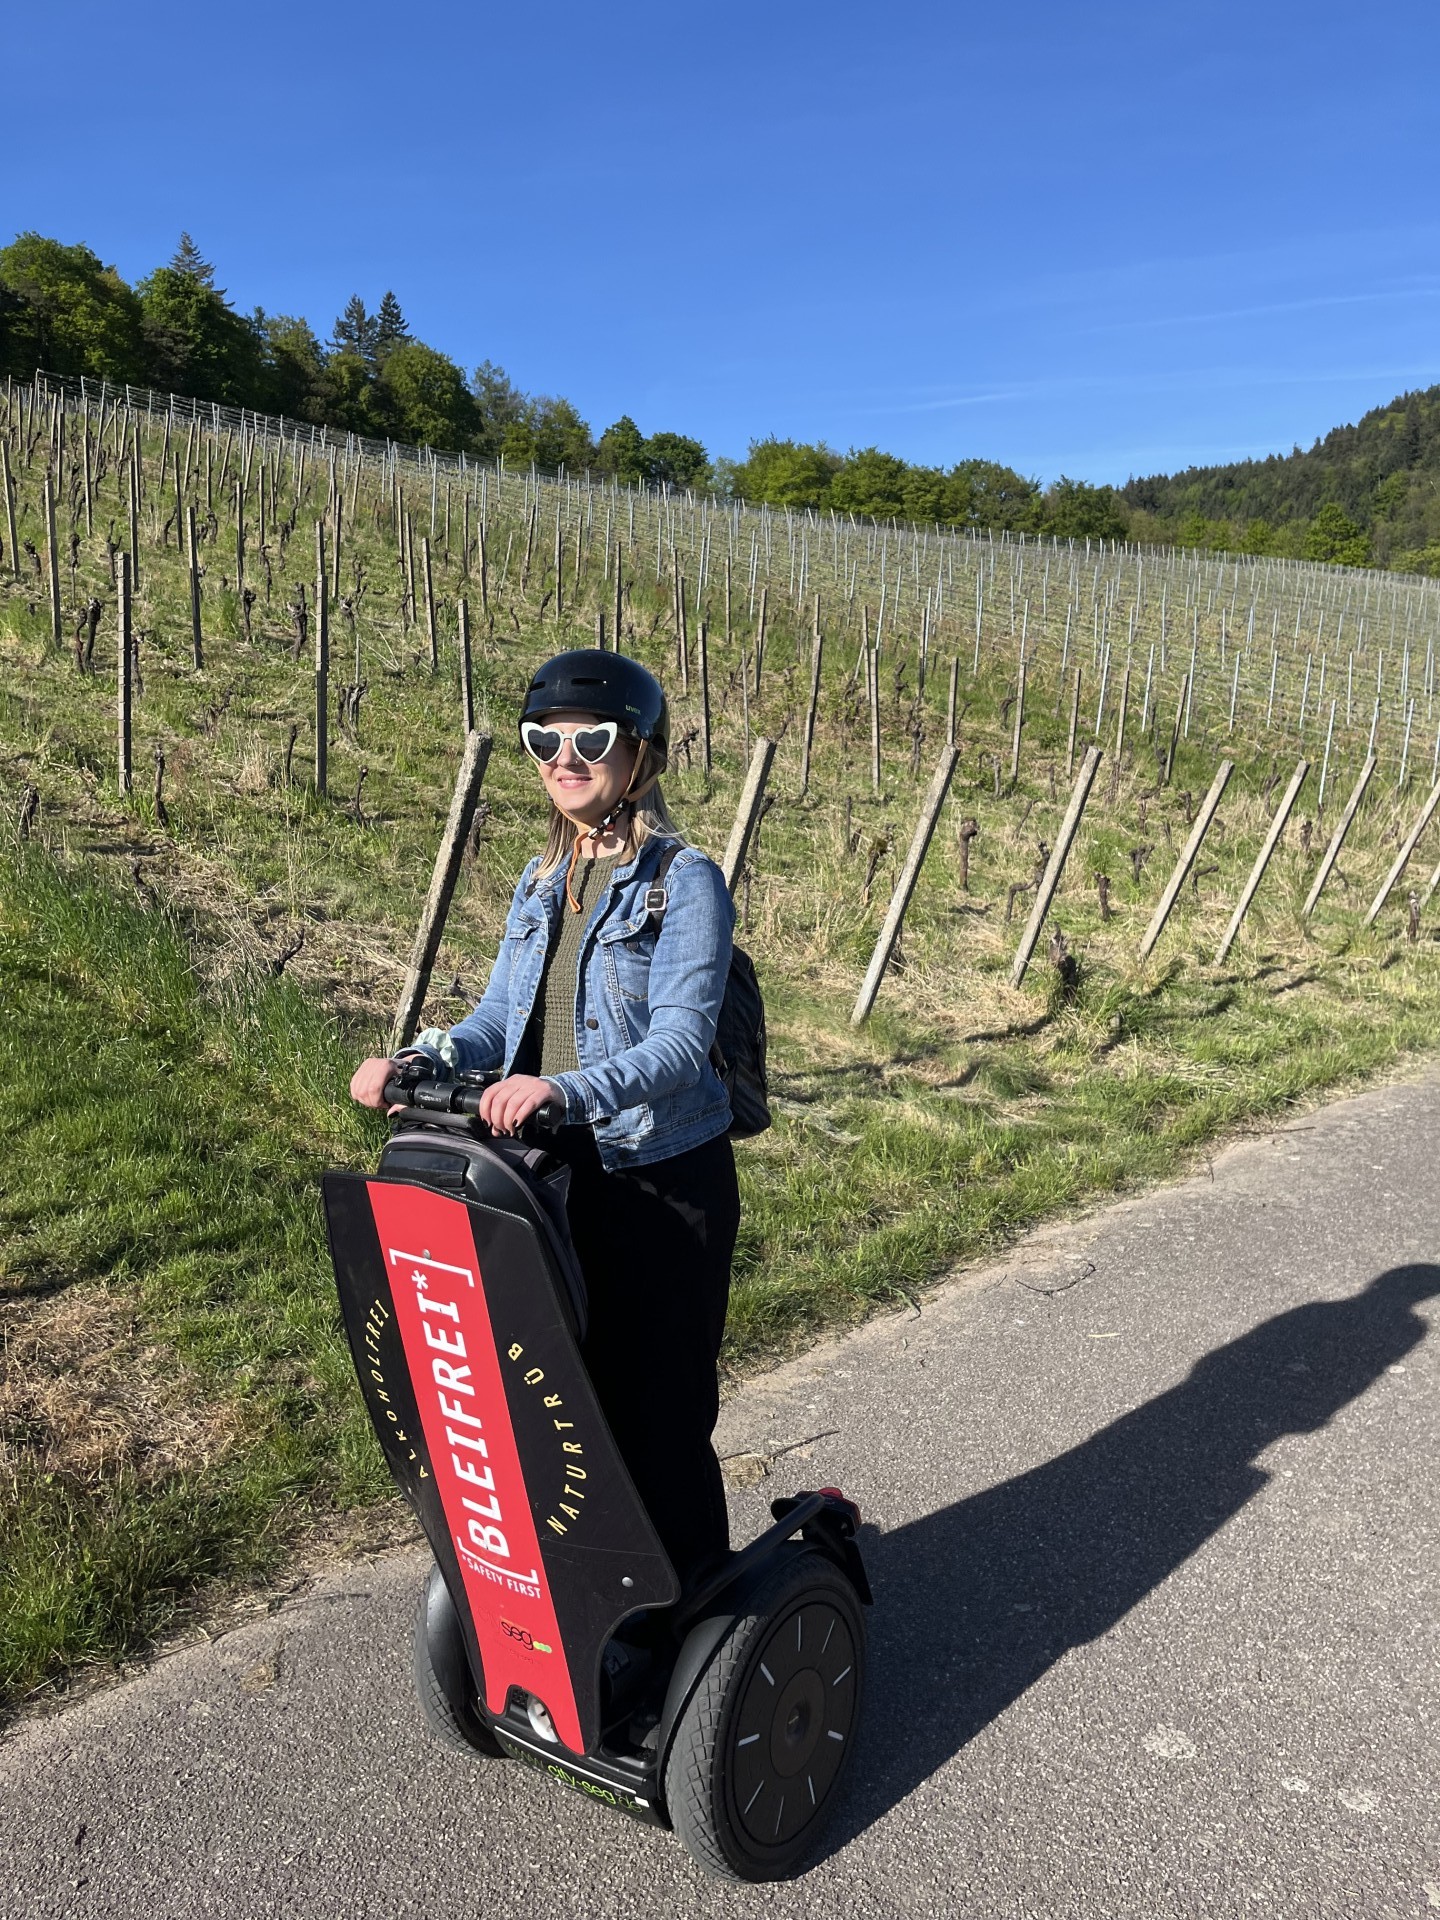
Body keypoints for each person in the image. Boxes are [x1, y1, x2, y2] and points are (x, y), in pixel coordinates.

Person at [350, 649, 739, 1585]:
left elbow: (682, 1045)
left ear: (637, 753)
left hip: (659, 1182)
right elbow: (497, 1020)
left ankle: (693, 1604)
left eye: (591, 741)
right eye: (543, 741)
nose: (565, 760)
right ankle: (596, 1597)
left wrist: (565, 1090)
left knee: (661, 1414)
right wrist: (421, 1059)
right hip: (555, 1180)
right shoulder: (539, 880)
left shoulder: (684, 882)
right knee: (568, 1408)